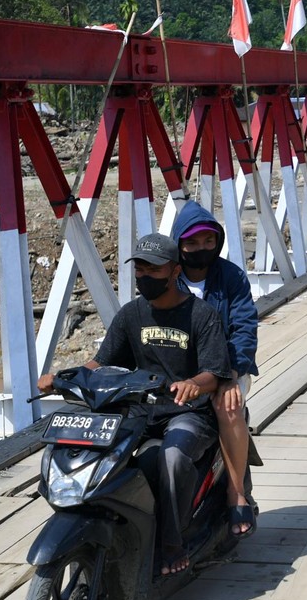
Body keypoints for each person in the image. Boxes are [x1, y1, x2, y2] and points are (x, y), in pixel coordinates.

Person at [37, 232, 232, 576]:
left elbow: (214, 373)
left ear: (174, 271)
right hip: (138, 410)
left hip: (187, 413)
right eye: (139, 269)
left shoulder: (202, 316)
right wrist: (64, 377)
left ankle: (172, 543)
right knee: (99, 454)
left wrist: (192, 384)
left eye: (153, 270)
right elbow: (102, 363)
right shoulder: (131, 315)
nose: (144, 276)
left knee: (171, 457)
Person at [171, 201, 259, 539]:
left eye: (208, 241)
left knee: (228, 407)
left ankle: (236, 493)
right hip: (182, 370)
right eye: (192, 243)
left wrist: (230, 375)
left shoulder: (230, 276)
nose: (201, 249)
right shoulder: (167, 275)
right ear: (179, 243)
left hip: (227, 367)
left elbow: (245, 327)